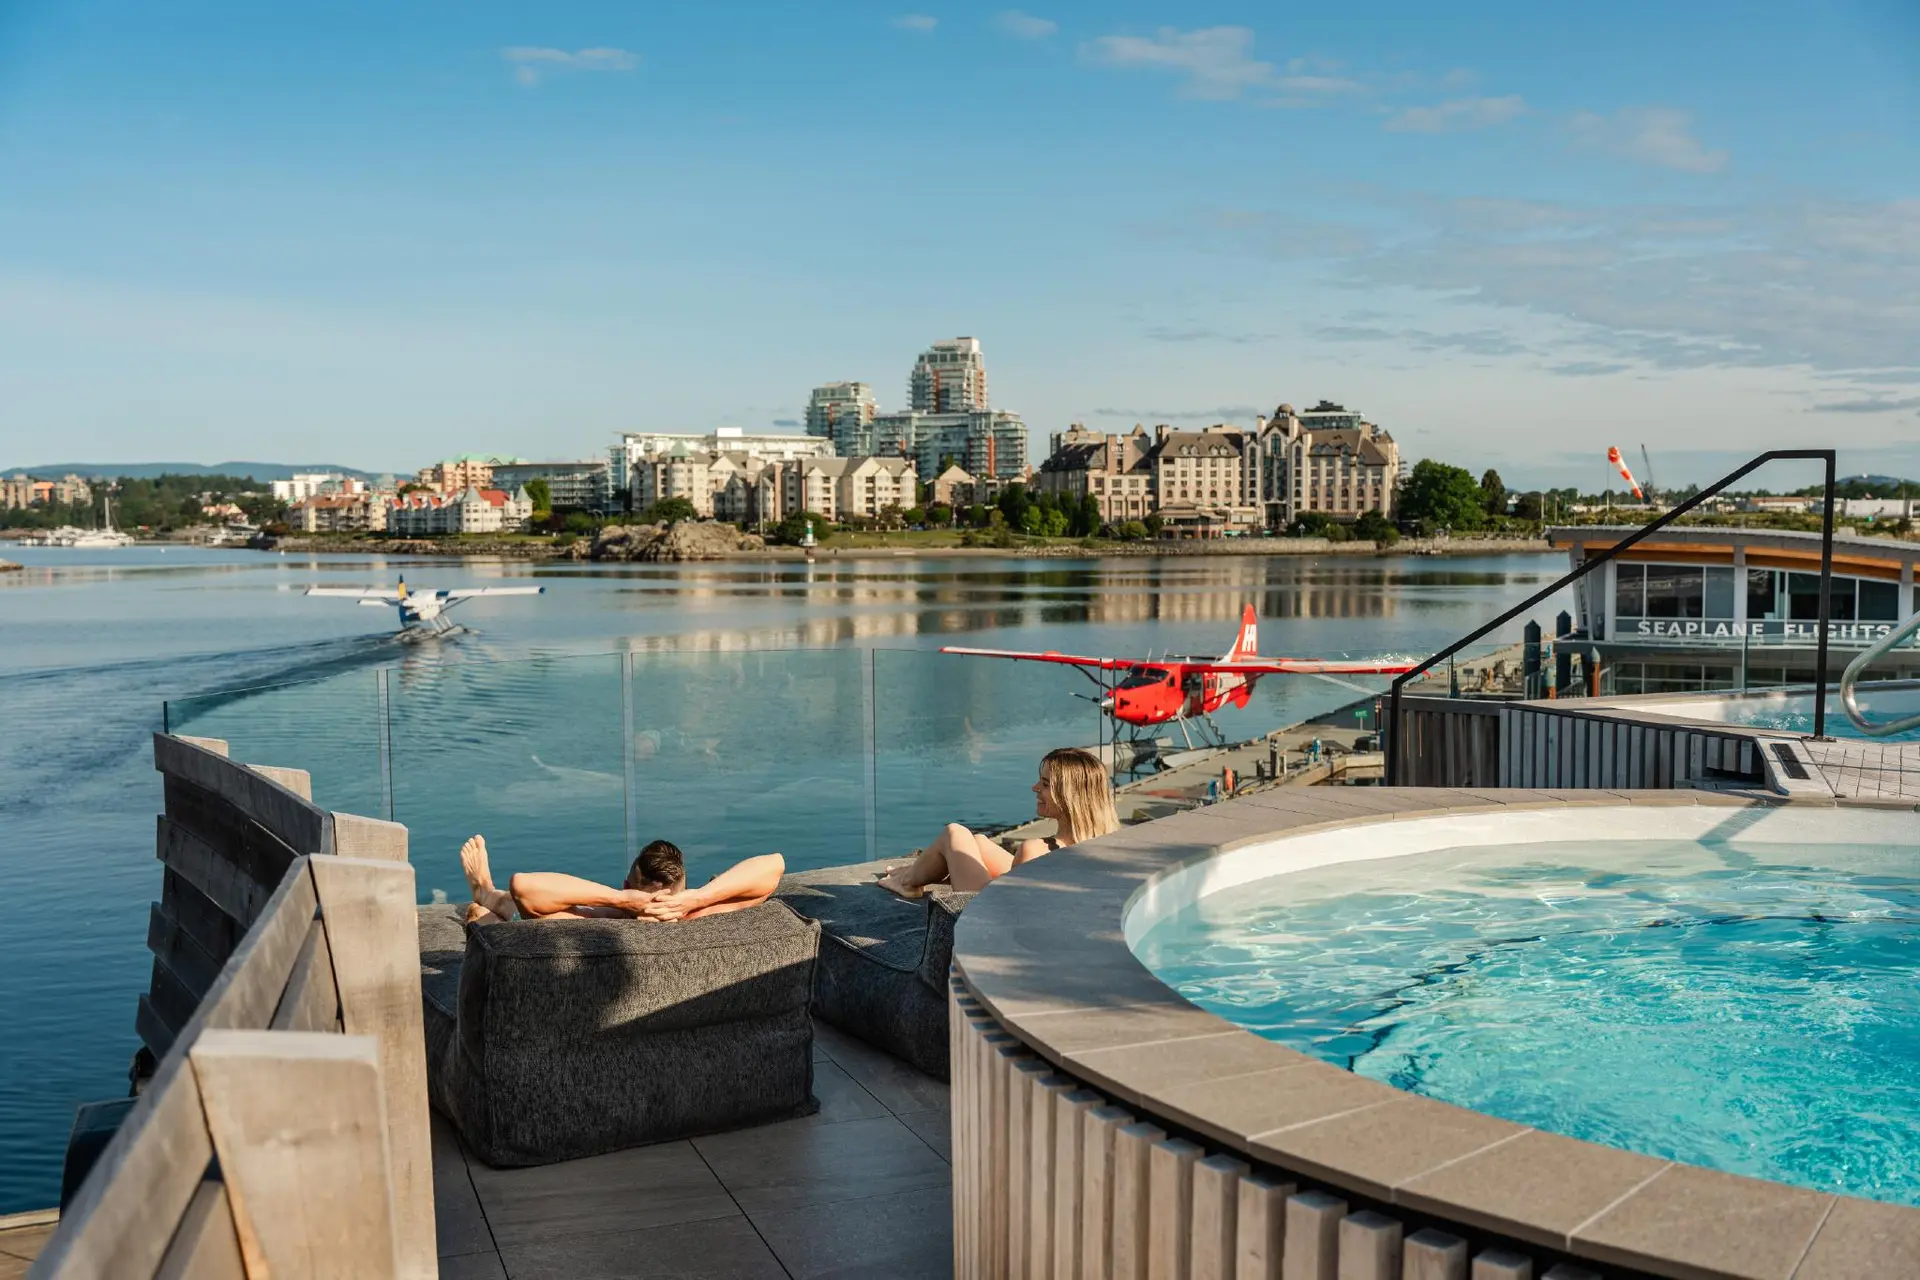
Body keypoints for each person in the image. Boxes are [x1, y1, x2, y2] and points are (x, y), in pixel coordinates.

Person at [876, 747, 1119, 899]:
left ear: (1070, 797)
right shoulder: (1108, 843)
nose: (1035, 788)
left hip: (982, 915)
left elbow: (1008, 909)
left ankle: (907, 882)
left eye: (1045, 785)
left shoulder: (1035, 851)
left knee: (955, 833)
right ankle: (916, 870)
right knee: (979, 843)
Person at [459, 835, 784, 925]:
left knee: (511, 910)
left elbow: (525, 886)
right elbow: (774, 865)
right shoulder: (702, 914)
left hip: (528, 922)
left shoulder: (599, 920)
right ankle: (487, 898)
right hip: (690, 901)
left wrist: (618, 901)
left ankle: (486, 895)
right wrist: (699, 898)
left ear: (627, 887)